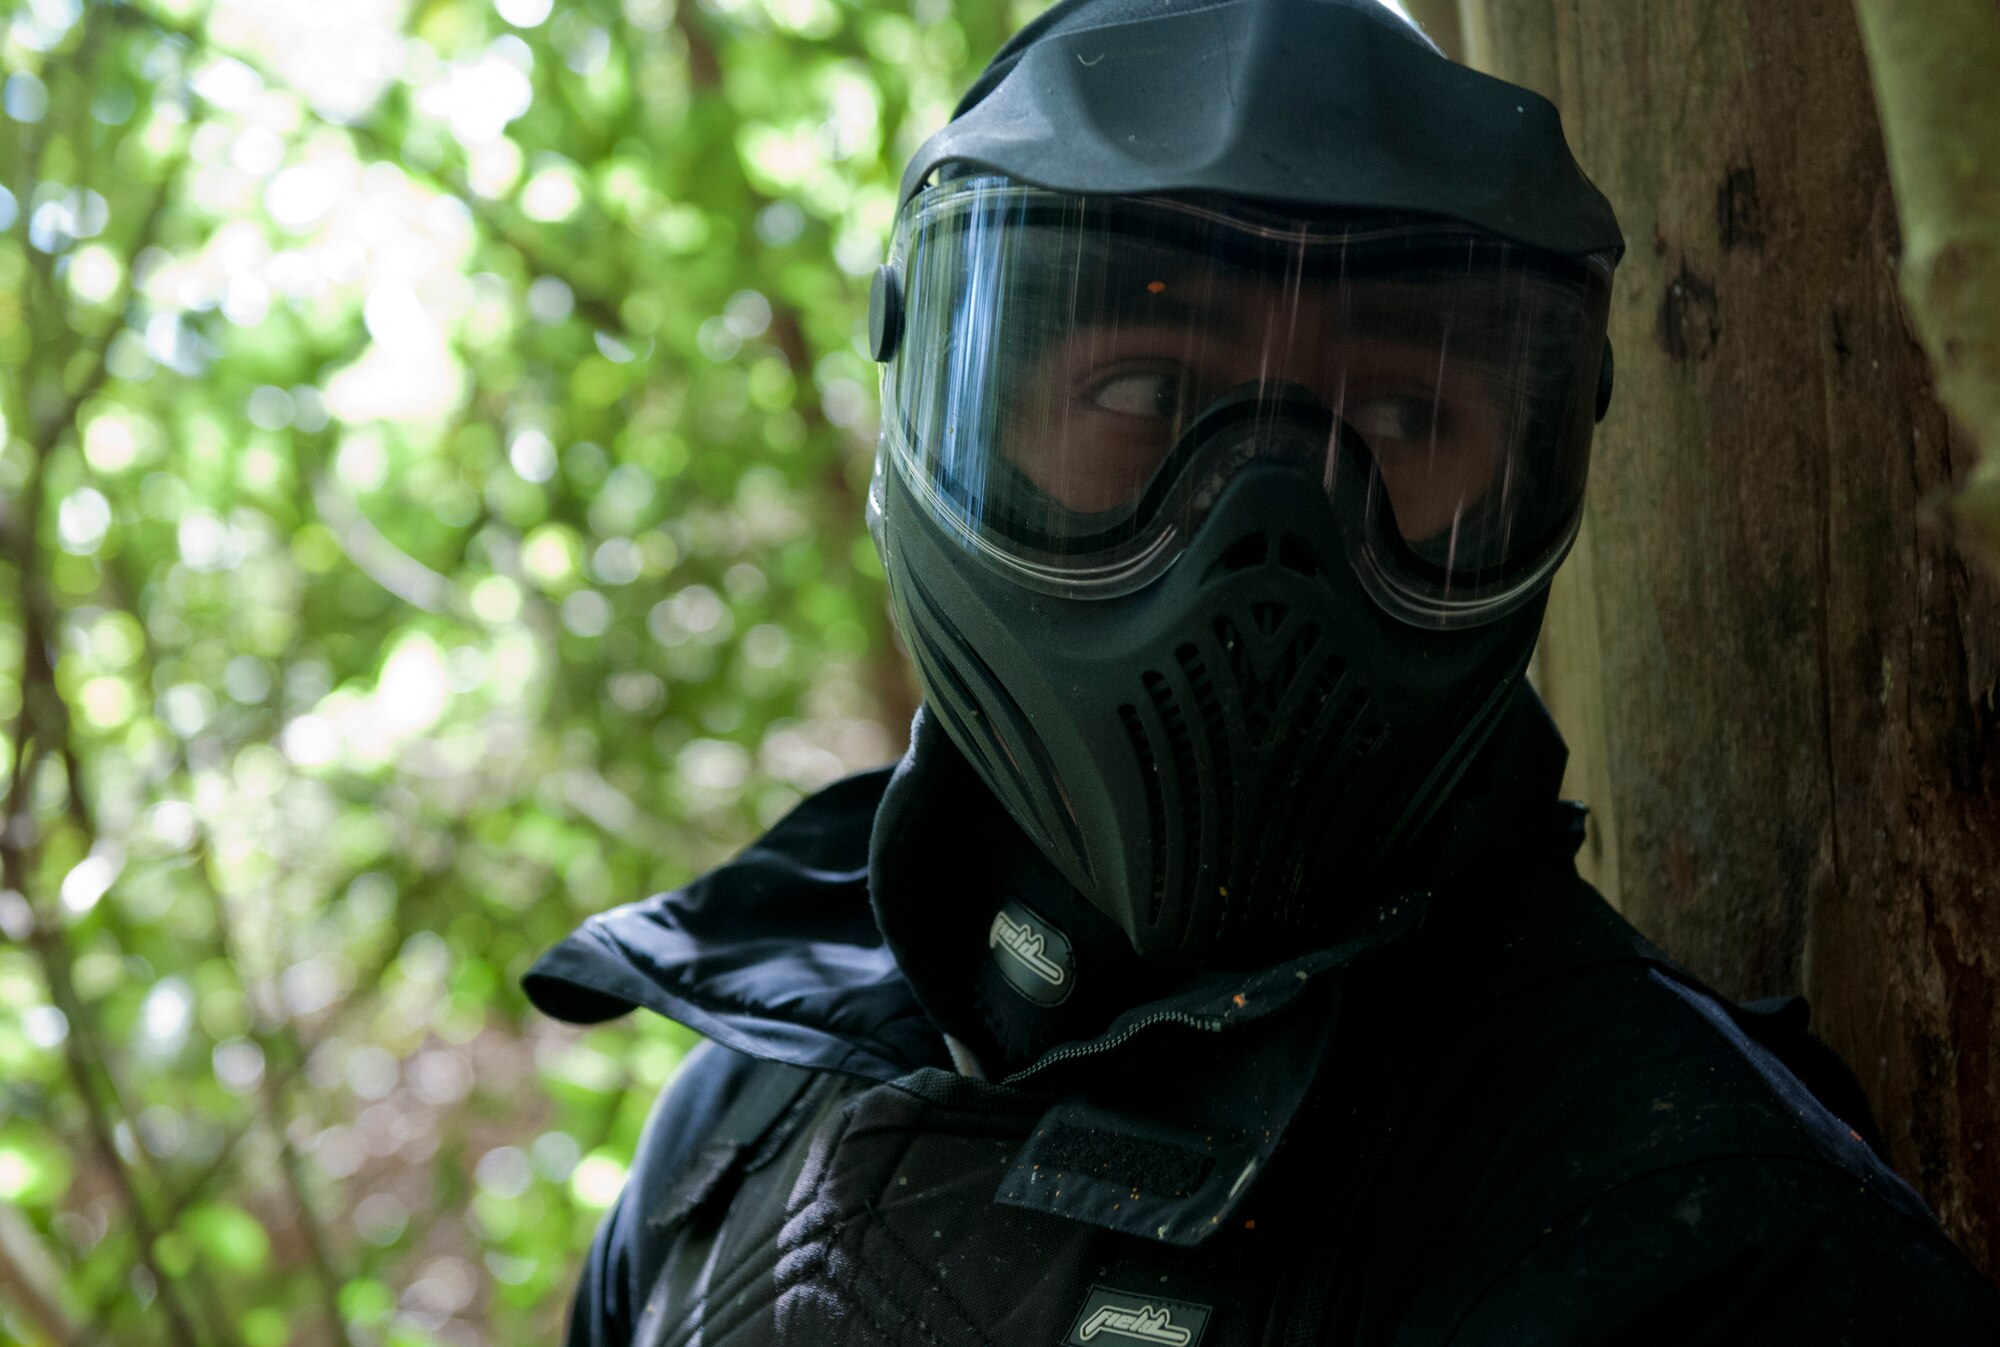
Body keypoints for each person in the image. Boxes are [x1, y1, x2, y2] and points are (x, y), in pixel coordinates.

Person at [525, 1, 2000, 1342]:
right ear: (937, 405)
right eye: (1142, 388)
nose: (1268, 542)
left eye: (1403, 415)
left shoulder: (1711, 1247)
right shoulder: (745, 1114)